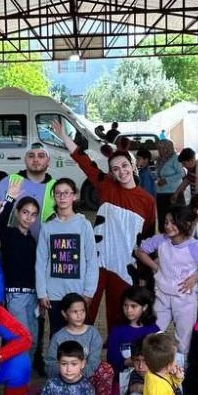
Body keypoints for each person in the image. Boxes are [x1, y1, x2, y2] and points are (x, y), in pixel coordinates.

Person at [50, 122, 157, 329]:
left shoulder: (147, 201)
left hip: (126, 266)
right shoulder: (106, 186)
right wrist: (64, 136)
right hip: (97, 262)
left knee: (120, 317)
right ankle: (78, 354)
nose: (121, 171)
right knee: (84, 310)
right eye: (115, 169)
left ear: (132, 166)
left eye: (125, 166)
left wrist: (144, 276)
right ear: (111, 173)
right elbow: (84, 162)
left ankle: (116, 359)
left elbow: (147, 240)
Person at [135, 205, 198, 353]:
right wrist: (157, 267)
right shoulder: (161, 240)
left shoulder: (195, 247)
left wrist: (196, 278)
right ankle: (150, 365)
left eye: (173, 222)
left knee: (184, 339)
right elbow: (140, 251)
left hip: (185, 299)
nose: (168, 226)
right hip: (162, 295)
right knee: (152, 332)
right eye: (166, 222)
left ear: (186, 224)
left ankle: (181, 371)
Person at [36, 178, 100, 334]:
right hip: (54, 294)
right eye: (58, 193)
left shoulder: (84, 225)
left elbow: (92, 260)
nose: (62, 197)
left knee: (77, 334)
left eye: (66, 193)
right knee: (56, 334)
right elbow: (41, 261)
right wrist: (42, 293)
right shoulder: (48, 227)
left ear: (74, 196)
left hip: (77, 292)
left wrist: (89, 292)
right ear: (54, 197)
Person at [0, 182, 41, 367]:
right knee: (22, 339)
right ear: (17, 213)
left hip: (32, 296)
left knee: (33, 339)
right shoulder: (9, 234)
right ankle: (17, 382)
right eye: (25, 212)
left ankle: (25, 378)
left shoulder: (32, 240)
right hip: (14, 295)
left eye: (33, 214)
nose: (28, 217)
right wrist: (10, 198)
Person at [0, 143, 57, 230]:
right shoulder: (9, 181)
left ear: (48, 160)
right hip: (12, 242)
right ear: (25, 159)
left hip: (45, 243)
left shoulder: (56, 187)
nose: (35, 159)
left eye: (41, 156)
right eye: (31, 156)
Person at [43, 293, 105, 383]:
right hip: (64, 377)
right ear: (64, 313)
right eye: (75, 312)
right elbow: (50, 364)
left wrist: (77, 375)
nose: (79, 316)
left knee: (105, 369)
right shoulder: (58, 337)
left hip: (86, 378)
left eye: (82, 311)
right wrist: (68, 373)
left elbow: (93, 363)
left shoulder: (93, 333)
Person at [153, 140, 183, 221]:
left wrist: (166, 180)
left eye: (162, 148)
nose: (159, 151)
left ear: (167, 148)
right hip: (160, 192)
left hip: (173, 193)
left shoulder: (175, 159)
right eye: (158, 148)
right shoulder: (159, 159)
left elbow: (182, 174)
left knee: (174, 218)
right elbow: (159, 174)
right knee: (162, 218)